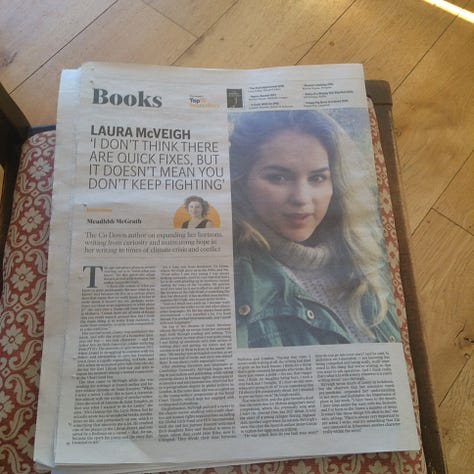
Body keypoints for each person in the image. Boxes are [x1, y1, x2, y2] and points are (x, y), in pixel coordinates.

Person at [229, 110, 401, 348]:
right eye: (278, 178)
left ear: (336, 183)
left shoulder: (372, 253)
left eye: (317, 178)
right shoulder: (234, 277)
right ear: (241, 181)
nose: (302, 198)